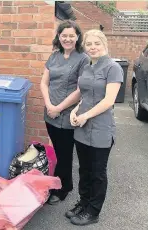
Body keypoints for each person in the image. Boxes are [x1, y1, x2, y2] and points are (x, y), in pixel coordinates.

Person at [68, 29, 123, 226]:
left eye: (96, 43)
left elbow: (108, 101)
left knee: (98, 172)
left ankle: (93, 211)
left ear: (104, 44)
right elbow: (84, 95)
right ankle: (83, 203)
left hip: (100, 128)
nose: (92, 47)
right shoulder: (86, 67)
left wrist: (85, 116)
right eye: (89, 44)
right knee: (84, 169)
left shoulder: (113, 68)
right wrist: (75, 111)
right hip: (82, 126)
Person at [40, 20, 89, 205]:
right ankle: (57, 183)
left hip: (67, 115)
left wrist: (58, 108)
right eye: (64, 35)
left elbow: (80, 90)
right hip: (50, 113)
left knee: (64, 153)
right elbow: (44, 82)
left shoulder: (83, 58)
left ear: (77, 37)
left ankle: (63, 188)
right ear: (58, 37)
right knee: (58, 150)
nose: (67, 39)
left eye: (71, 35)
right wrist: (49, 105)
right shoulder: (54, 56)